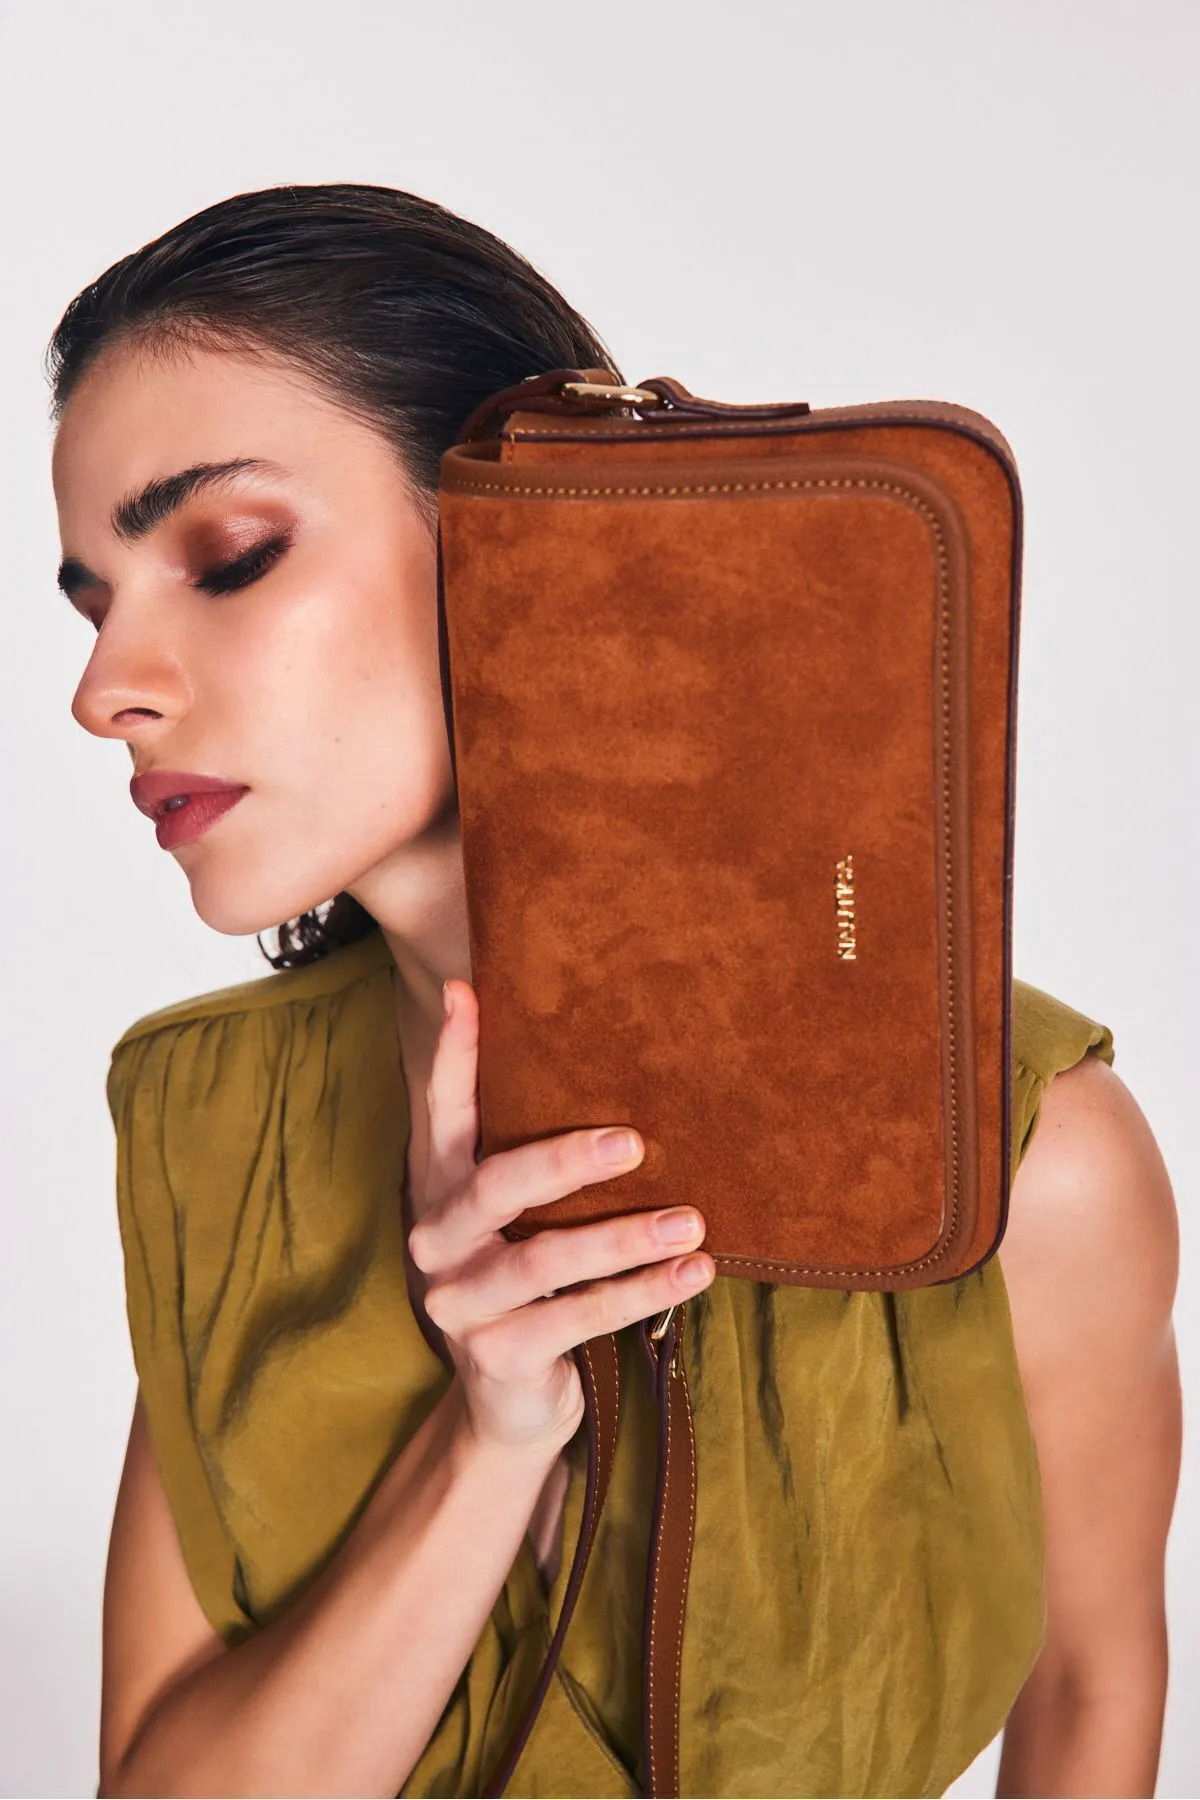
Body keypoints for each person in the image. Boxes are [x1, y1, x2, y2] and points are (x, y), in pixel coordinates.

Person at [48, 183, 1181, 1800]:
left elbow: (1092, 1687)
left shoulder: (1030, 1159)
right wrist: (489, 1438)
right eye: (95, 601)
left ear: (525, 540)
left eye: (227, 558)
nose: (104, 691)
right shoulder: (212, 1126)